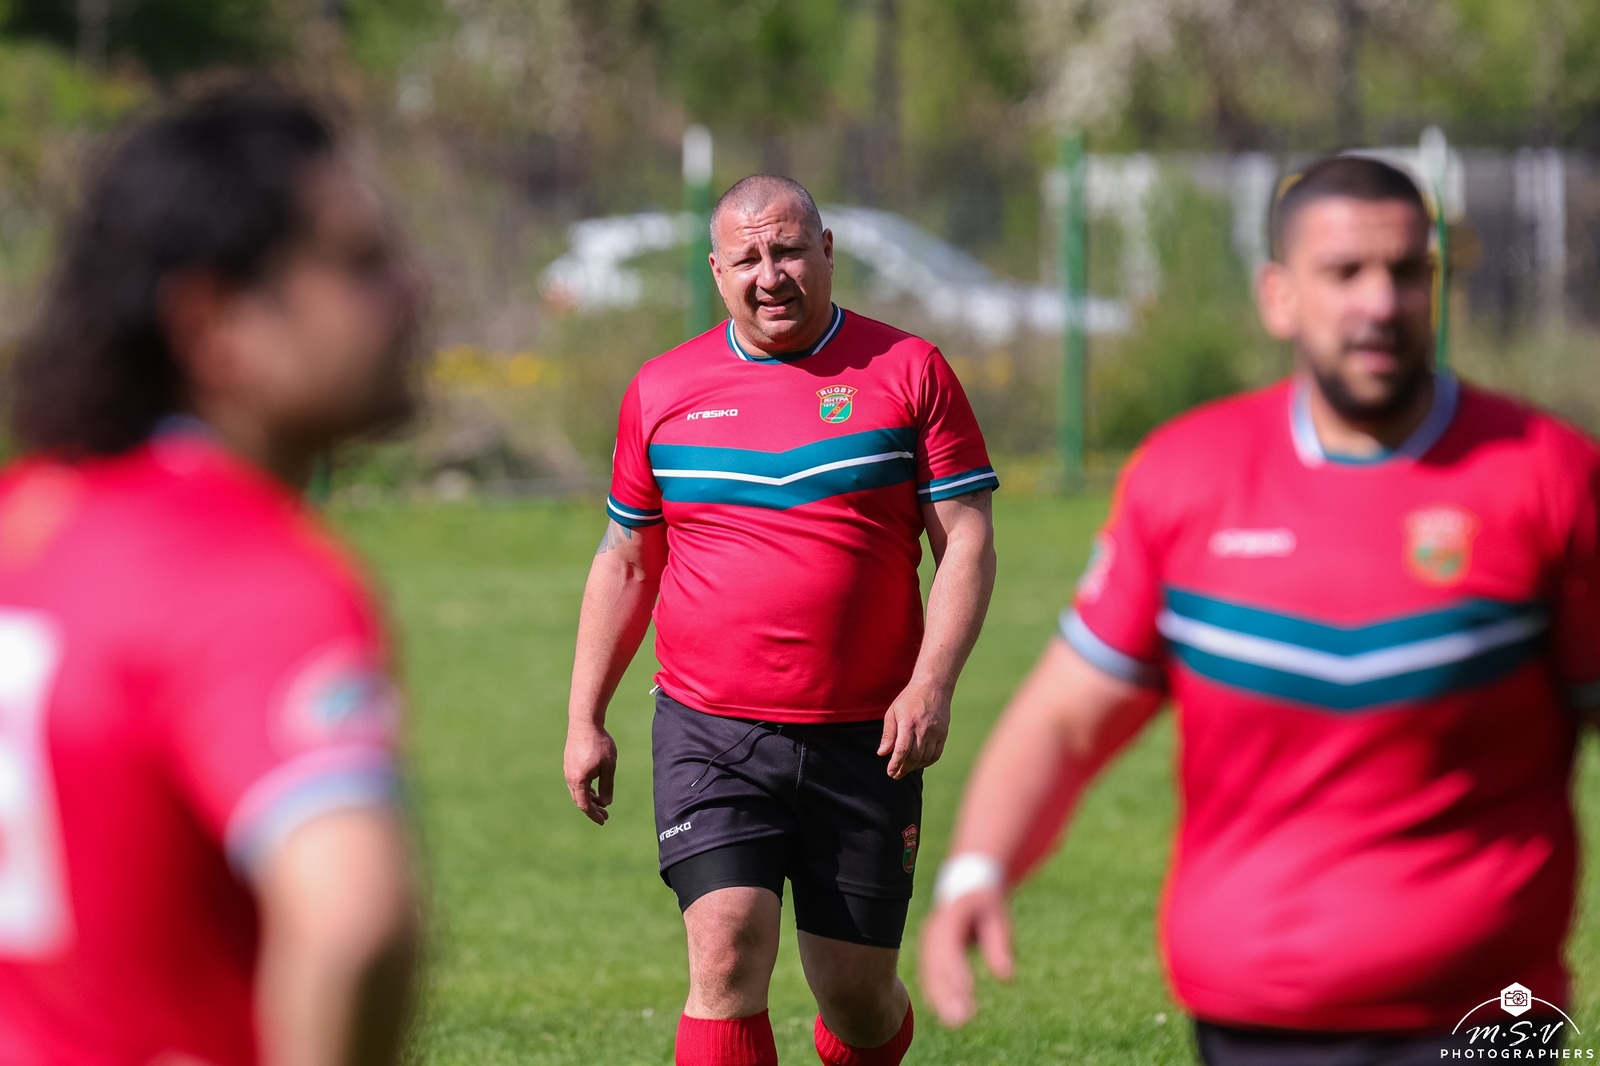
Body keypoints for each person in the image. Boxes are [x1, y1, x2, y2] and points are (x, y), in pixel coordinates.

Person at [919, 155, 1600, 1065]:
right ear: (1279, 296)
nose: (1380, 302)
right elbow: (1067, 721)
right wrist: (976, 869)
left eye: (1407, 271)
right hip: (1251, 1017)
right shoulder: (1188, 477)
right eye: (1345, 272)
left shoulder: (1549, 476)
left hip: (1490, 1015)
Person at [0, 82, 426, 1066]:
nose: (411, 290)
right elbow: (353, 924)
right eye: (359, 264)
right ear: (215, 324)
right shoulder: (247, 575)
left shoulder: (26, 521)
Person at [564, 174, 998, 1066]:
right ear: (716, 271)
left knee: (857, 998)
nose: (771, 275)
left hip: (868, 736)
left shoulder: (908, 370)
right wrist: (585, 717)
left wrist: (932, 684)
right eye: (749, 258)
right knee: (725, 951)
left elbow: (966, 541)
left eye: (790, 250)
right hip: (710, 729)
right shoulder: (662, 389)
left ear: (826, 250)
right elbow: (627, 560)